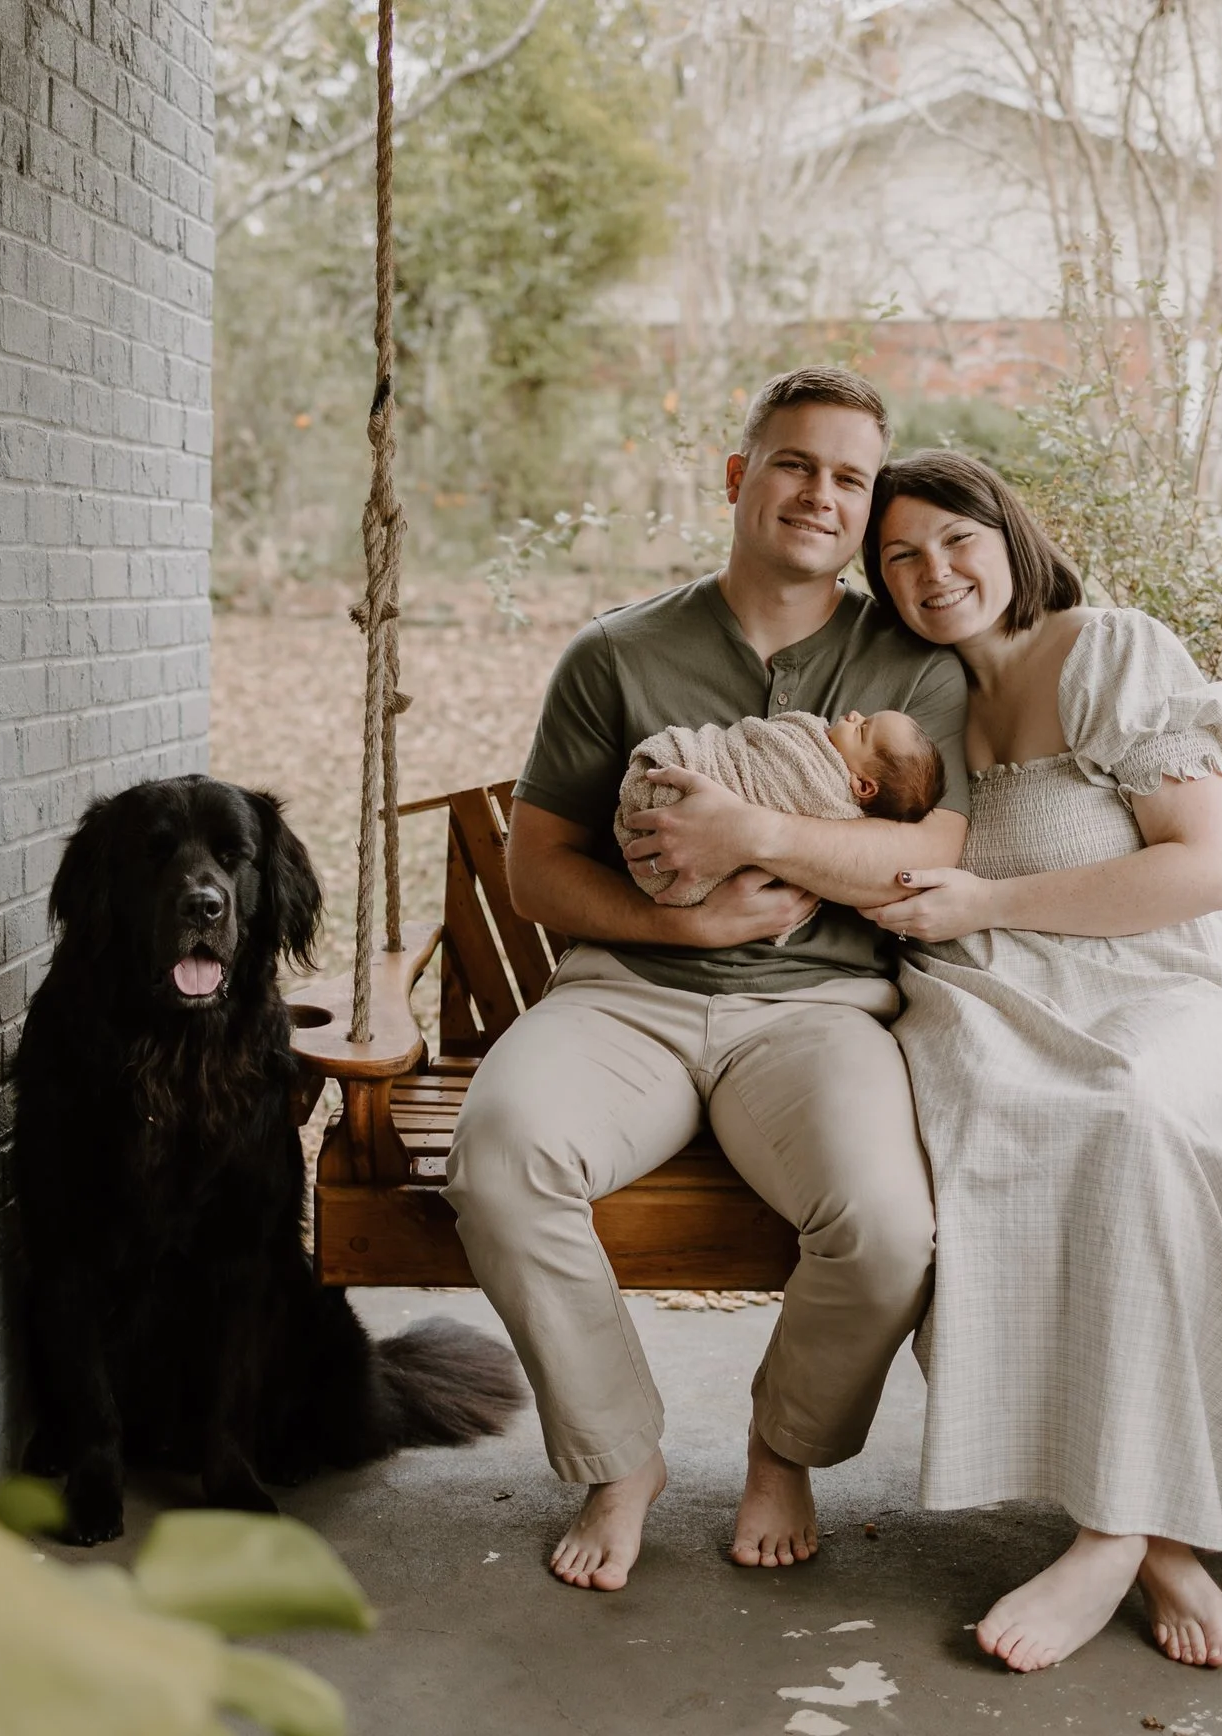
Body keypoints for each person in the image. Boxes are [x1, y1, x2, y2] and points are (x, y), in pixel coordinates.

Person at [442, 367, 971, 1592]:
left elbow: (930, 852)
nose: (819, 493)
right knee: (499, 1157)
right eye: (795, 462)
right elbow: (534, 869)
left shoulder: (911, 669)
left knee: (888, 1228)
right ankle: (618, 1456)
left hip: (816, 1009)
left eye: (849, 476)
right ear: (740, 477)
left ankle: (784, 1445)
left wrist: (756, 837)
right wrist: (678, 926)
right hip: (625, 992)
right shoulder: (618, 653)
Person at [861, 450, 1222, 1673]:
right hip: (991, 994)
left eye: (955, 538)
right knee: (1002, 1126)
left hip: (1165, 980)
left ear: (1007, 534)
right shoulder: (916, 699)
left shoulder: (1112, 651)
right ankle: (1158, 1525)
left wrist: (988, 895)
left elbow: (1201, 871)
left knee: (1123, 1106)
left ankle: (1113, 1531)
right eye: (901, 554)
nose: (935, 571)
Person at [615, 708, 947, 907]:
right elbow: (754, 747)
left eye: (862, 729)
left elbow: (777, 788)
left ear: (863, 786)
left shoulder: (827, 794)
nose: (853, 715)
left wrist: (744, 829)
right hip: (695, 771)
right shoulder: (812, 739)